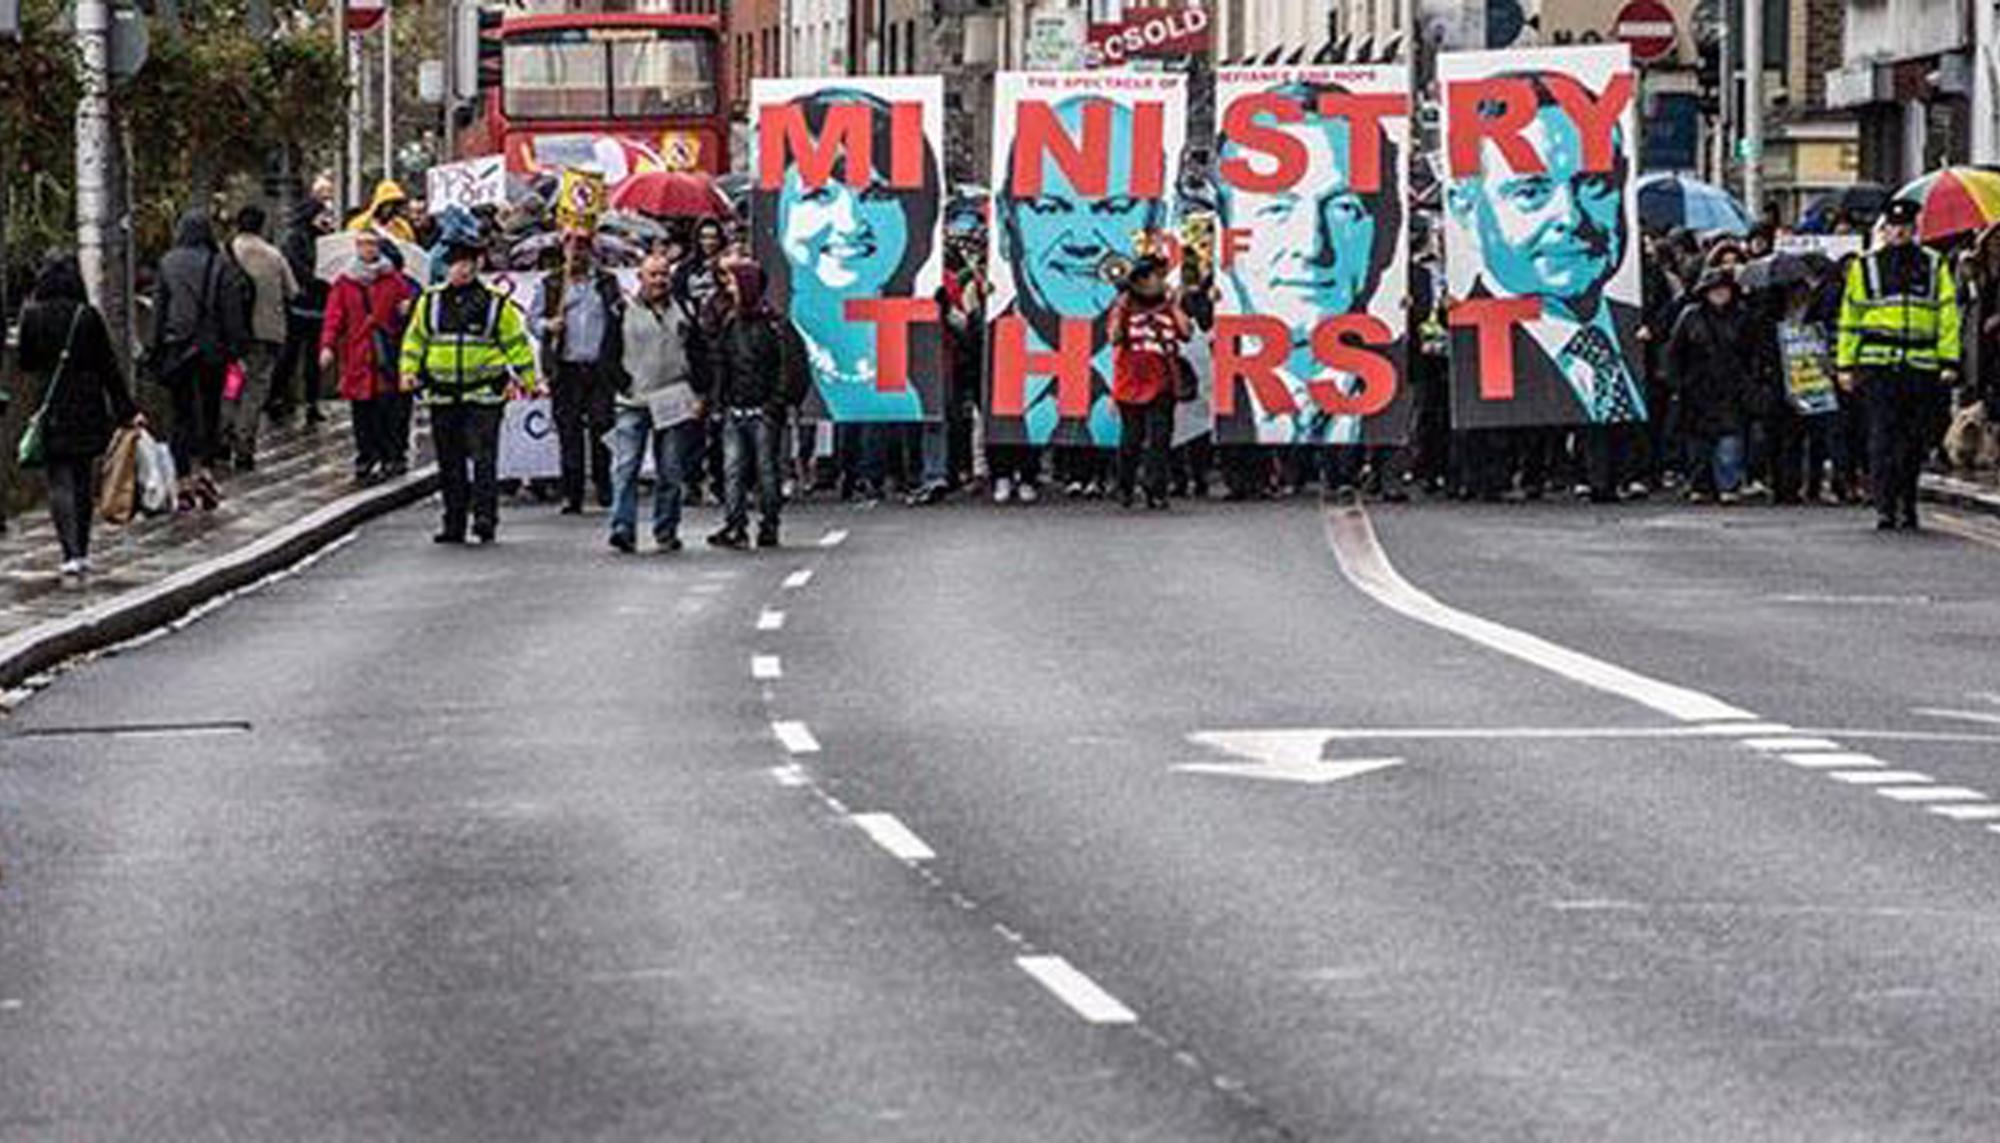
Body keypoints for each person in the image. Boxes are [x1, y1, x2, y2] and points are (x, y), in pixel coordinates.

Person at [1212, 79, 1410, 447]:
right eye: (1276, 208)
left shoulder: (1410, 387)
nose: (1311, 245)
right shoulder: (1204, 382)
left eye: (1344, 209)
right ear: (1225, 226)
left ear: (1389, 231)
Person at [1444, 73, 1646, 429]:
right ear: (1465, 208)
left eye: (1594, 184)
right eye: (1531, 192)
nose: (1569, 216)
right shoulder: (1463, 353)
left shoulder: (1640, 331)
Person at [755, 88, 942, 423]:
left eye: (876, 195)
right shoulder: (768, 335)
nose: (850, 223)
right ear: (776, 218)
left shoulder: (931, 355)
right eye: (819, 195)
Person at [400, 239, 537, 544]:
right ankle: (454, 522)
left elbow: (515, 343)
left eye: (465, 264)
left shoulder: (494, 303)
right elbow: (416, 340)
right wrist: (408, 371)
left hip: (484, 393)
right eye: (454, 264)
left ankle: (485, 518)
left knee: (484, 458)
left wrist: (529, 378)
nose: (459, 270)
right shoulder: (430, 301)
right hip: (442, 393)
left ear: (476, 267)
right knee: (450, 462)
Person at [1836, 197, 1961, 530]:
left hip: (1921, 366)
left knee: (1913, 440)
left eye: (1905, 227)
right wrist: (1845, 365)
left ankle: (1907, 501)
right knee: (1881, 438)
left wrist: (1949, 360)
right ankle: (1885, 505)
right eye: (1893, 227)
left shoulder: (1934, 265)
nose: (1899, 232)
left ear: (1914, 230)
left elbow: (1947, 315)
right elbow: (1851, 317)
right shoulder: (1866, 267)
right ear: (1885, 230)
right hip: (1878, 366)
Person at [15, 255, 142, 576]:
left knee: (58, 480)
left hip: (51, 404)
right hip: (87, 406)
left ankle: (68, 551)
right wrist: (127, 411)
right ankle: (83, 549)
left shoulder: (33, 316)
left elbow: (25, 363)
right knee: (83, 478)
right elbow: (108, 367)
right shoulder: (87, 316)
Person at [704, 261, 810, 549]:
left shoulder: (776, 326)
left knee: (766, 470)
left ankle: (769, 523)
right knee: (733, 470)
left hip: (763, 411)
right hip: (734, 409)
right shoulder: (729, 322)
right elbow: (720, 364)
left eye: (735, 284)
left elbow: (792, 367)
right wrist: (719, 402)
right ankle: (735, 525)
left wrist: (776, 403)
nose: (730, 289)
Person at [148, 210, 248, 510]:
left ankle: (181, 480)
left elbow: (159, 311)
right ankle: (205, 469)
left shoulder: (168, 263)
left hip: (177, 349)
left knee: (180, 415)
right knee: (210, 409)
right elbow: (231, 311)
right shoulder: (220, 264)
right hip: (211, 350)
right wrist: (236, 349)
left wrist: (155, 350)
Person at [608, 252, 707, 553]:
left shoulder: (686, 309)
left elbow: (699, 353)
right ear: (640, 278)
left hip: (673, 399)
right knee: (626, 468)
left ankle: (666, 528)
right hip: (633, 401)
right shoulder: (621, 310)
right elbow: (607, 355)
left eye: (664, 274)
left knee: (671, 470)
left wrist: (700, 393)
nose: (659, 281)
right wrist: (624, 384)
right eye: (653, 275)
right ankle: (623, 528)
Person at [531, 229, 626, 514]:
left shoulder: (607, 282)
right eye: (573, 248)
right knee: (569, 431)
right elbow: (532, 320)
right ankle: (572, 492)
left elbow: (618, 316)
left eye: (583, 248)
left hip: (599, 367)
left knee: (602, 427)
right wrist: (548, 326)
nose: (578, 254)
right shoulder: (552, 284)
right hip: (566, 368)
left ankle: (604, 486)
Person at [319, 228, 419, 484]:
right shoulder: (344, 283)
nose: (368, 249)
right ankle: (366, 457)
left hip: (384, 355)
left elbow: (407, 317)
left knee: (387, 408)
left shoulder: (394, 280)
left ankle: (389, 456)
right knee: (361, 411)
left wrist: (405, 311)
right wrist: (327, 345)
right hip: (357, 355)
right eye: (363, 244)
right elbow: (334, 317)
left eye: (372, 244)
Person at [1106, 256, 1190, 509]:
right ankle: (1125, 486)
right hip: (1130, 382)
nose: (1160, 281)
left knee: (1160, 439)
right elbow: (1114, 338)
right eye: (1155, 276)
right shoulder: (1124, 306)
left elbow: (1186, 333)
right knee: (1131, 438)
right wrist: (1121, 308)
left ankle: (1157, 489)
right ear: (1141, 281)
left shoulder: (1168, 305)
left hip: (1163, 382)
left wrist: (1174, 305)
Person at [1668, 268, 1757, 504]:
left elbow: (1751, 353)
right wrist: (1677, 382)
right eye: (1714, 290)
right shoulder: (1690, 316)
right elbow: (1675, 352)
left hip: (1731, 386)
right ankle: (1701, 484)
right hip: (1697, 387)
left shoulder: (1743, 317)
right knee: (1698, 443)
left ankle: (1728, 484)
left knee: (1730, 440)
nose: (1719, 294)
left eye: (1724, 289)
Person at [225, 204, 300, 471]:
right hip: (267, 334)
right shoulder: (273, 255)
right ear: (261, 226)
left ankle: (224, 433)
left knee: (231, 384)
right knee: (255, 389)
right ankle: (244, 444)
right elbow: (292, 292)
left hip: (232, 336)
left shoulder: (227, 251)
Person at [277, 197, 334, 427]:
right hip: (299, 306)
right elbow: (295, 266)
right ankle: (279, 396)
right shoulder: (295, 238)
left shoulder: (323, 239)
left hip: (319, 307)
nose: (326, 219)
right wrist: (314, 279)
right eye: (322, 214)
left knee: (313, 359)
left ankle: (312, 402)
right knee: (290, 355)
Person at [348, 179, 417, 243]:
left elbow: (411, 250)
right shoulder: (359, 224)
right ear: (380, 204)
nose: (393, 208)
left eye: (396, 204)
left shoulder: (403, 228)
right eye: (389, 204)